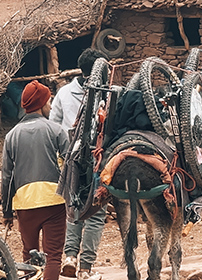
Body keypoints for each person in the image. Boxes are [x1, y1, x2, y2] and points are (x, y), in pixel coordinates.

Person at [50, 48, 108, 280]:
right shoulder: (107, 94)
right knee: (95, 211)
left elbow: (54, 126)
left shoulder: (64, 93)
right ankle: (85, 268)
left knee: (73, 207)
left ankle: (70, 257)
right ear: (99, 70)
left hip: (71, 159)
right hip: (98, 158)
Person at [2, 80, 69, 280]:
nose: (50, 105)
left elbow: (7, 176)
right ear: (41, 104)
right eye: (48, 102)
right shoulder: (56, 130)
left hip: (25, 204)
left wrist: (7, 212)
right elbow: (71, 165)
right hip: (54, 201)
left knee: (28, 255)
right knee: (53, 257)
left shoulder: (11, 136)